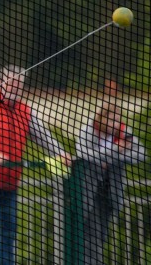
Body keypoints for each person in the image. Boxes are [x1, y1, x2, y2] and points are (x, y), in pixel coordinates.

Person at [0, 64, 71, 265]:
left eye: (19, 84)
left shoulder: (25, 110)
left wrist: (61, 153)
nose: (16, 88)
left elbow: (43, 137)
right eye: (12, 83)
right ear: (1, 83)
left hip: (10, 183)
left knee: (10, 229)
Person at [75, 101, 146, 264]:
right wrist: (114, 150)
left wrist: (114, 157)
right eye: (111, 120)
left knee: (101, 236)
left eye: (117, 120)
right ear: (102, 118)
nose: (114, 124)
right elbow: (84, 154)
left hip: (110, 192)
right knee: (92, 234)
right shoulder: (89, 130)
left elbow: (141, 154)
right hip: (90, 190)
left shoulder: (123, 132)